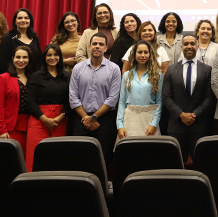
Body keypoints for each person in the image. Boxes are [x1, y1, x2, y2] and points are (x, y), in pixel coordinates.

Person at [69, 33, 122, 164]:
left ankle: (101, 185)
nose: (97, 47)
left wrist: (94, 117)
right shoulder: (78, 68)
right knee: (79, 157)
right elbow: (73, 97)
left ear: (106, 48)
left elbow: (112, 99)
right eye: (94, 44)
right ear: (89, 46)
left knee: (103, 158)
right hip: (82, 119)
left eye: (101, 44)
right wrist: (87, 118)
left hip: (105, 120)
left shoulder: (114, 69)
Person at [163, 34, 216, 162]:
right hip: (176, 126)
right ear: (181, 46)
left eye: (192, 43)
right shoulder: (171, 70)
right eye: (186, 44)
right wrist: (181, 115)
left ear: (197, 46)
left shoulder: (207, 70)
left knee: (201, 163)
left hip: (199, 126)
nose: (189, 46)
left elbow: (210, 97)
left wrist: (195, 115)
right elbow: (166, 97)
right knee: (175, 164)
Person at [24, 44, 70, 172]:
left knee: (57, 155)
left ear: (60, 57)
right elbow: (30, 101)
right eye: (49, 55)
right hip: (39, 119)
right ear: (44, 57)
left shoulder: (66, 76)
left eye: (55, 55)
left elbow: (69, 100)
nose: (52, 57)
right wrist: (45, 119)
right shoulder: (36, 76)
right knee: (35, 154)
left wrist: (60, 117)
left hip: (59, 121)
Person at [0, 46, 35, 157]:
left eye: (25, 57)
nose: (21, 60)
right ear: (12, 59)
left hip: (30, 126)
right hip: (8, 126)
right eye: (18, 57)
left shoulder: (34, 78)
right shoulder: (4, 78)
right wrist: (2, 129)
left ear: (29, 59)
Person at [117, 40, 163, 140]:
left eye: (146, 52)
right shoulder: (127, 75)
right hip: (129, 120)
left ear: (150, 54)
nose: (142, 55)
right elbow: (122, 102)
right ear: (134, 54)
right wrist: (120, 125)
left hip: (149, 120)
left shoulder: (157, 75)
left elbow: (159, 101)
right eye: (139, 52)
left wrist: (154, 124)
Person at [0, 8, 42, 75]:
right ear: (15, 21)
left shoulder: (35, 38)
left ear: (30, 21)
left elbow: (39, 61)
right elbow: (3, 63)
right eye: (20, 18)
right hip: (13, 78)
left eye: (26, 18)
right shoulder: (7, 38)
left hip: (33, 79)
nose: (23, 20)